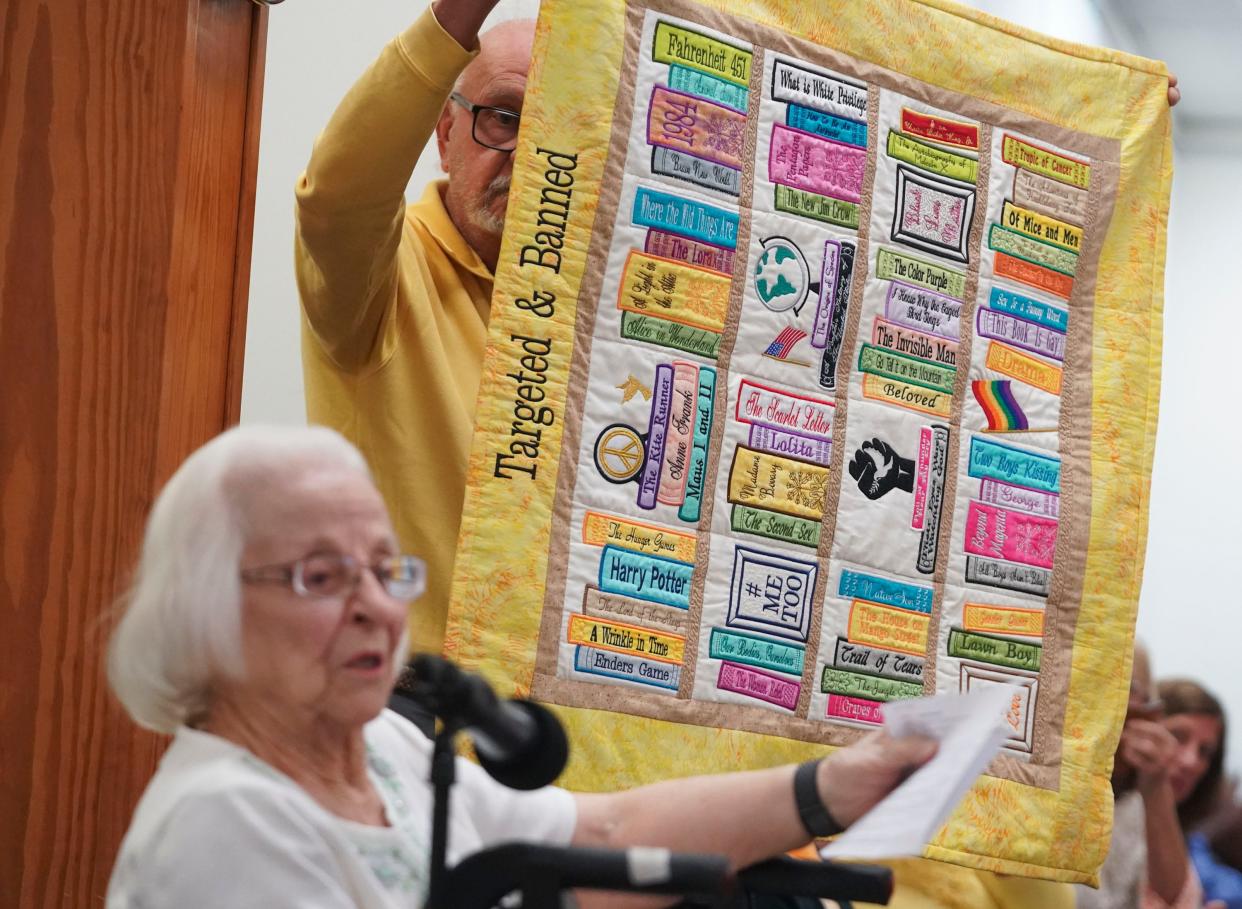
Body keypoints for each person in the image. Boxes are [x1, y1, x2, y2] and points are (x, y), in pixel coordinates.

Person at [105, 425, 938, 908]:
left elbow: (601, 836)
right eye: (321, 576)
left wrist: (831, 788)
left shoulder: (389, 756)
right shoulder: (224, 819)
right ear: (208, 606)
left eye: (385, 567)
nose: (374, 607)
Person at [1076, 651, 1216, 909]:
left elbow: (1180, 902)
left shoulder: (1140, 809)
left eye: (1205, 752)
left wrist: (1155, 786)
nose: (1189, 761)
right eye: (1178, 736)